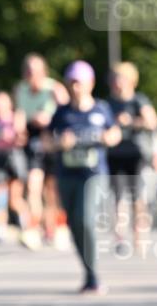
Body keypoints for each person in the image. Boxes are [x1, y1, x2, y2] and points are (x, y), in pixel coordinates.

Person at [49, 60, 121, 294]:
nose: (74, 87)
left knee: (85, 220)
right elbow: (46, 141)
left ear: (90, 83)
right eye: (71, 82)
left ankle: (93, 274)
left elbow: (114, 133)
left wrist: (107, 138)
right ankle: (89, 273)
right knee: (73, 224)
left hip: (94, 175)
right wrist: (60, 142)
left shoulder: (101, 109)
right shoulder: (62, 113)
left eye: (78, 82)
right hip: (67, 174)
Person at [14, 54, 68, 249]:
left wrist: (48, 118)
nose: (31, 74)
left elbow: (67, 113)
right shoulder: (21, 89)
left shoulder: (54, 88)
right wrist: (18, 131)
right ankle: (32, 229)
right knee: (33, 185)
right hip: (34, 139)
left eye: (34, 70)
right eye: (27, 70)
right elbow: (19, 114)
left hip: (53, 138)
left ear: (43, 71)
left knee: (52, 190)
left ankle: (56, 228)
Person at [106, 62, 157, 253]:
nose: (116, 82)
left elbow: (153, 123)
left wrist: (132, 122)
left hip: (136, 153)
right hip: (114, 154)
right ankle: (120, 237)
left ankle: (140, 236)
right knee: (118, 196)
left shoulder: (138, 100)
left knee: (138, 196)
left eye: (120, 78)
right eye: (113, 78)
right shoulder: (108, 104)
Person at [0, 91, 30, 244]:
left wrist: (15, 131)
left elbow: (22, 139)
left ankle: (26, 223)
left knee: (14, 199)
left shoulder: (16, 117)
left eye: (1, 102)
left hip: (13, 157)